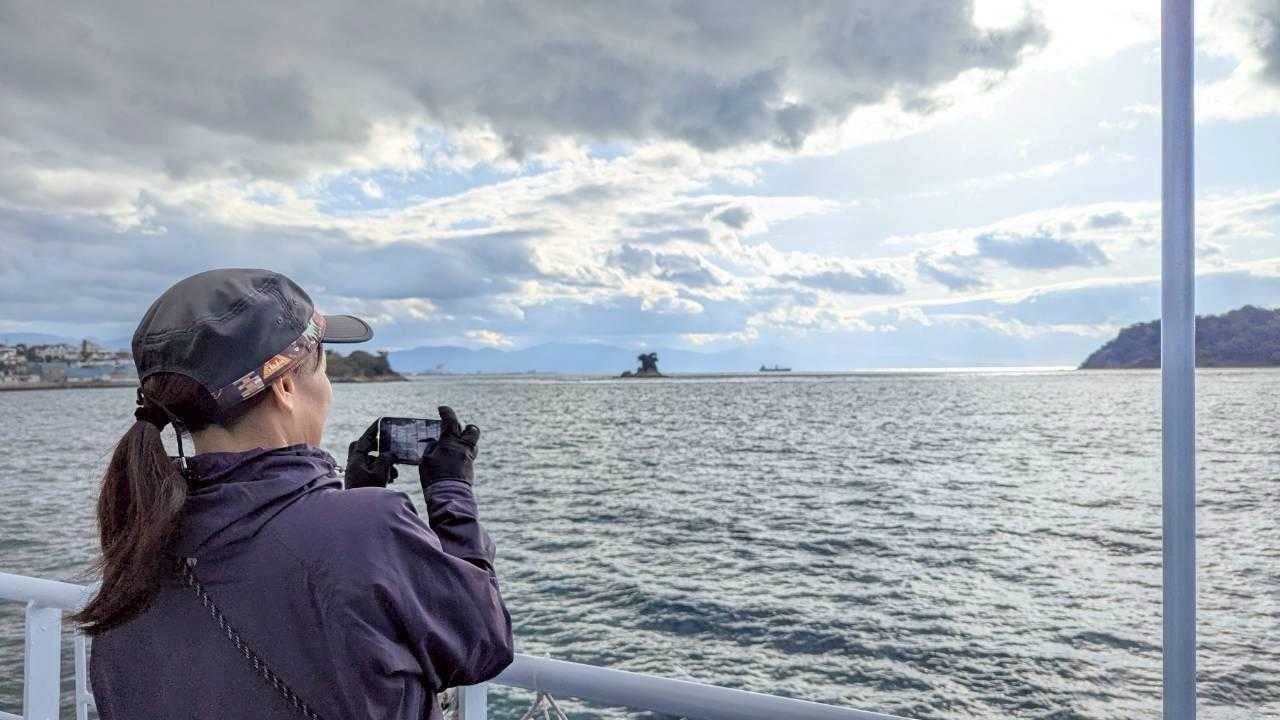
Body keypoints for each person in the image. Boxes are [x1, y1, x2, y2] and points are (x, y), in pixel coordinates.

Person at [75, 268, 513, 719]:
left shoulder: (136, 555)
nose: (327, 389)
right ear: (284, 387)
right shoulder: (366, 528)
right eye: (323, 370)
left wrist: (352, 498)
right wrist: (451, 492)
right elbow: (482, 641)